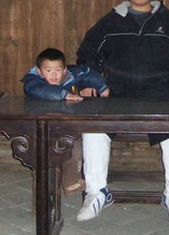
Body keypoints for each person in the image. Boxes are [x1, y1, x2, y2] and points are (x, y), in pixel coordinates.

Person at [76, 0, 169, 225]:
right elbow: (87, 54)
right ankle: (96, 193)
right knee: (93, 128)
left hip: (161, 95)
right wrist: (91, 81)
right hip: (116, 95)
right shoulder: (109, 22)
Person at [21, 47, 109, 195]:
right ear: (39, 71)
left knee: (74, 149)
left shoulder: (70, 76)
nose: (54, 74)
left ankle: (71, 182)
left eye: (58, 70)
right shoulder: (33, 80)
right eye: (49, 70)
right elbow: (36, 90)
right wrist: (64, 94)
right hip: (41, 128)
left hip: (66, 125)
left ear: (64, 70)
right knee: (43, 162)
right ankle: (42, 197)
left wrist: (102, 86)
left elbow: (86, 74)